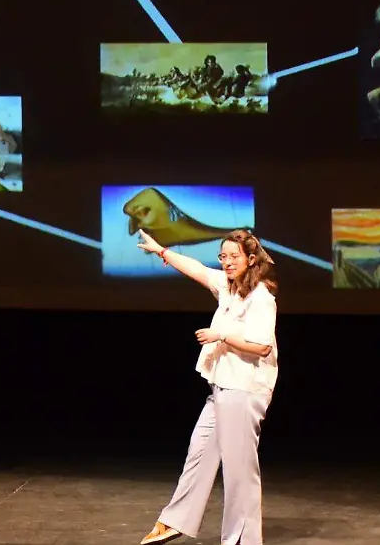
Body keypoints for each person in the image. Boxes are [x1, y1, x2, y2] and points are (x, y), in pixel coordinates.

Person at [134, 228, 279, 545]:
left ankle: (242, 539)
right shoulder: (228, 288)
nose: (227, 262)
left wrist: (221, 335)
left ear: (250, 259)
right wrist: (162, 251)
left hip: (245, 390)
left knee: (239, 469)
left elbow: (262, 347)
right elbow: (197, 270)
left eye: (234, 256)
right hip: (222, 387)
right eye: (223, 256)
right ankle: (176, 520)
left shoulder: (262, 299)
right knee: (199, 452)